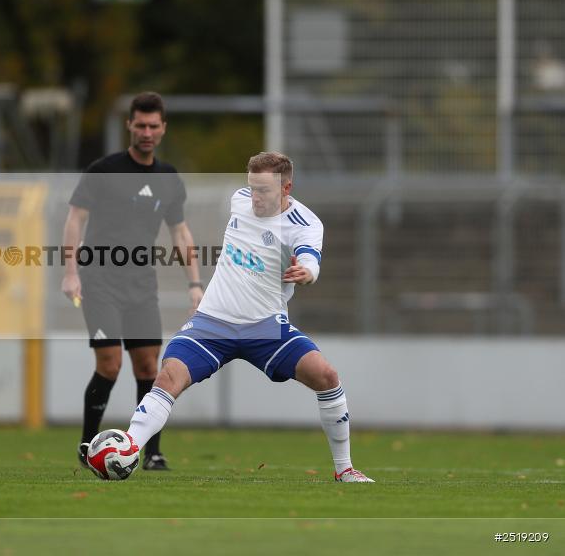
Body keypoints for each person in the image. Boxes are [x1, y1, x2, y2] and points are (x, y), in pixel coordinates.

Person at [126, 152, 374, 483]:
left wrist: (307, 272)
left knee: (326, 376)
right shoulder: (239, 200)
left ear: (287, 188)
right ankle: (125, 450)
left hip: (266, 328)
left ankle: (345, 469)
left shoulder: (306, 224)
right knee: (168, 378)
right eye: (252, 187)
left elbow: (311, 259)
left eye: (264, 190)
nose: (255, 197)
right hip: (213, 320)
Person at [61, 92, 203, 472]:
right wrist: (71, 272)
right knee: (109, 365)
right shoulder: (103, 170)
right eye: (140, 124)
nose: (146, 132)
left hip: (142, 284)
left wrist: (194, 283)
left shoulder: (169, 179)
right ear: (129, 125)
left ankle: (150, 450)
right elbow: (75, 219)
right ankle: (87, 444)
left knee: (148, 366)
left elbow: (181, 232)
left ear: (163, 128)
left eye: (153, 126)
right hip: (99, 280)